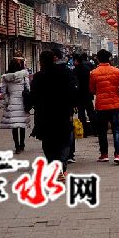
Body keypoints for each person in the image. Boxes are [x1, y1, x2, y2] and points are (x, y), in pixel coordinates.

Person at [28, 50, 77, 179]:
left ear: (41, 62)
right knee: (64, 141)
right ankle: (60, 165)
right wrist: (72, 108)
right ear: (54, 59)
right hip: (62, 113)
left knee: (48, 143)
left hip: (44, 115)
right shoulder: (65, 73)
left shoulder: (38, 77)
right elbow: (72, 92)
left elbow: (33, 97)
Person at [89, 49, 119, 165]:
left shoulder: (94, 73)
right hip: (114, 104)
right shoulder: (116, 71)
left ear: (98, 59)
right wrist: (116, 93)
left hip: (101, 106)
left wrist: (100, 93)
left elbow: (92, 90)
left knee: (102, 131)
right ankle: (118, 155)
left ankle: (104, 154)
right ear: (109, 59)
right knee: (116, 130)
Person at [0, 58, 30, 154]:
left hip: (12, 104)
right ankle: (22, 144)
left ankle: (17, 146)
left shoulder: (6, 78)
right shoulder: (24, 77)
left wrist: (7, 100)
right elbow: (28, 90)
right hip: (23, 103)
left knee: (14, 126)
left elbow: (4, 92)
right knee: (22, 125)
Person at [53, 47, 78, 162]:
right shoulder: (68, 70)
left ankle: (60, 155)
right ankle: (69, 154)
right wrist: (74, 104)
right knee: (68, 129)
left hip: (53, 107)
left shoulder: (48, 72)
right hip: (67, 107)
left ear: (55, 57)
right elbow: (73, 88)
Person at [73, 52, 95, 137]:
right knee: (91, 112)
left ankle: (84, 132)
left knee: (81, 113)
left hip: (80, 95)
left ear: (76, 61)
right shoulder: (87, 68)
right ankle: (95, 130)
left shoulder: (75, 70)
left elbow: (75, 84)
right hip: (88, 94)